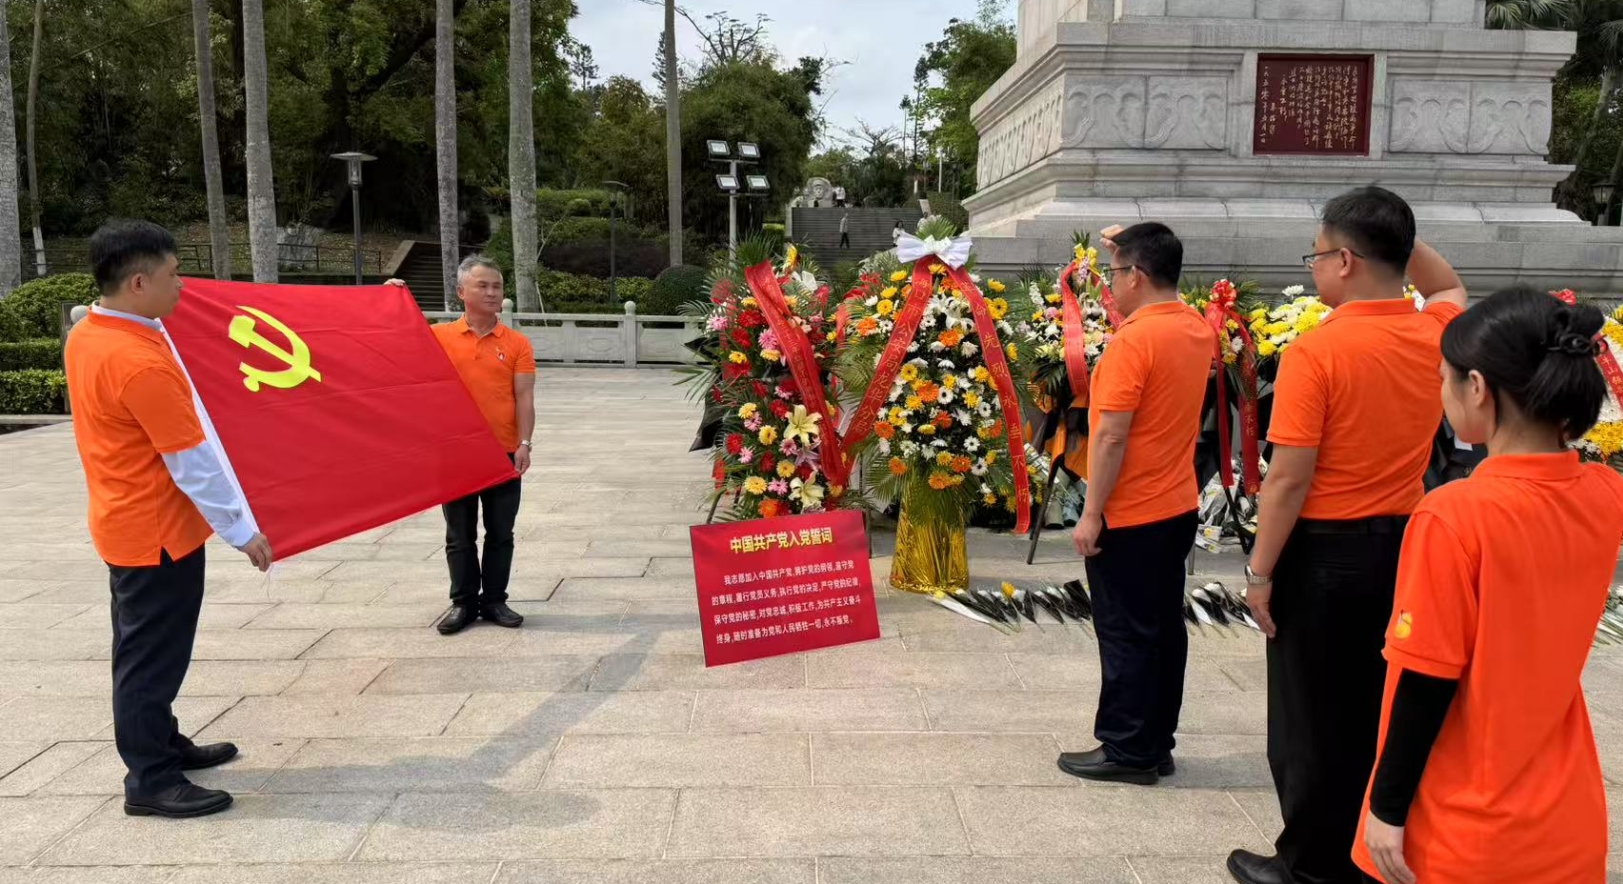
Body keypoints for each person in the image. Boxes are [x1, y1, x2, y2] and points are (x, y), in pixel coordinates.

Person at [1227, 187, 1468, 884]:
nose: (1313, 268)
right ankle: (1365, 852)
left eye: (1317, 254)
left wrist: (1259, 573)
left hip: (1324, 556)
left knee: (1309, 720)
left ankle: (1309, 866)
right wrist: (1396, 239)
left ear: (1345, 261)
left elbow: (1288, 479)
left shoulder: (1317, 351)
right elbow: (1447, 284)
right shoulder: (1436, 332)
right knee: (1374, 707)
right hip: (1404, 547)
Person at [1353, 288, 1619, 884]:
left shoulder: (1454, 515)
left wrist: (1387, 809)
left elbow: (1427, 679)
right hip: (1567, 818)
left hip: (1461, 825)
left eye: (1443, 380)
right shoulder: (1607, 494)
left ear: (1476, 387)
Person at [64, 220, 272, 818]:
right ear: (138, 282)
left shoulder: (90, 332)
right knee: (150, 658)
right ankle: (151, 778)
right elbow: (191, 462)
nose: (182, 285)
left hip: (125, 519)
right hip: (155, 532)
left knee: (145, 647)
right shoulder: (137, 360)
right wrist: (241, 530)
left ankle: (161, 740)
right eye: (174, 274)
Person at [1058, 222, 1216, 785]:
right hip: (1176, 504)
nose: (1111, 284)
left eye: (1116, 273)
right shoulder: (1195, 328)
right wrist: (1129, 246)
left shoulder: (1134, 341)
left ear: (1138, 276)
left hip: (1130, 511)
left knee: (1126, 632)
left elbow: (1110, 436)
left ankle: (1127, 748)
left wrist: (1092, 513)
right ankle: (1154, 742)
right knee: (1163, 630)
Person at [389, 256, 534, 635]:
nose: (491, 293)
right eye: (482, 286)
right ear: (461, 292)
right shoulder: (438, 337)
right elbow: (395, 340)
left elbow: (524, 397)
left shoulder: (517, 343)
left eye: (497, 286)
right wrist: (390, 298)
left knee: (501, 532)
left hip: (503, 453)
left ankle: (495, 600)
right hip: (455, 453)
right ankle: (463, 603)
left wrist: (524, 443)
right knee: (459, 534)